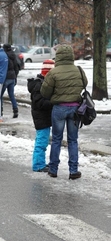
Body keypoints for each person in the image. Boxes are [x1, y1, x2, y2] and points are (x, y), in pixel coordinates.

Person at [41, 44, 87, 180]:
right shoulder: (78, 70)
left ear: (58, 56)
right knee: (73, 140)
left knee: (56, 139)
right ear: (71, 56)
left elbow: (45, 92)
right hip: (75, 109)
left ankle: (53, 169)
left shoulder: (54, 72)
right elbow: (84, 83)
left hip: (59, 108)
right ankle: (73, 170)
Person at [27, 59, 54, 172]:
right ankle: (38, 165)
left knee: (42, 140)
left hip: (42, 117)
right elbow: (40, 103)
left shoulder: (40, 83)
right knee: (41, 142)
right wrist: (53, 102)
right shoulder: (39, 85)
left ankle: (40, 162)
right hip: (41, 118)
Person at [0, 43, 19, 118]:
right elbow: (16, 67)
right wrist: (15, 77)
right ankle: (15, 110)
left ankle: (0, 111)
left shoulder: (4, 56)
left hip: (6, 78)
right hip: (12, 77)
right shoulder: (13, 55)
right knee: (11, 95)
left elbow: (3, 68)